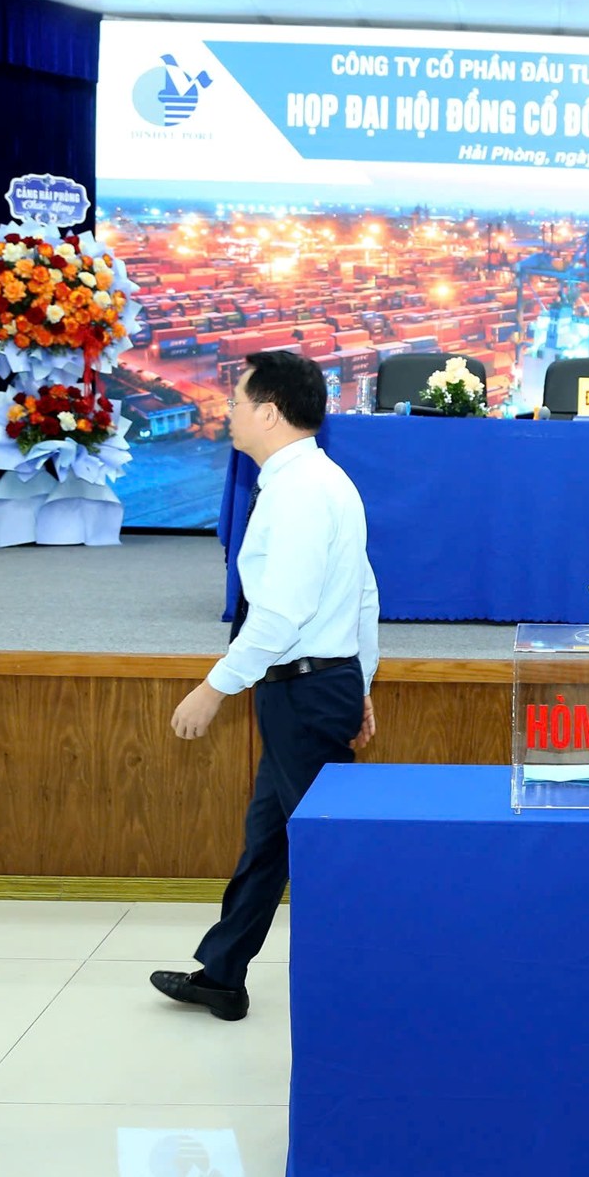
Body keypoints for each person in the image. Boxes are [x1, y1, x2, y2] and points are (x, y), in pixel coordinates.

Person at [153, 350, 380, 1021]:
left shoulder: (302, 491)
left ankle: (366, 987)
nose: (228, 412)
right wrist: (360, 680)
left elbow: (281, 615)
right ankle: (223, 975)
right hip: (311, 687)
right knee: (271, 839)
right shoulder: (314, 479)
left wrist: (213, 689)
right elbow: (362, 594)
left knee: (325, 850)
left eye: (237, 401)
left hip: (304, 689)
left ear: (271, 413)